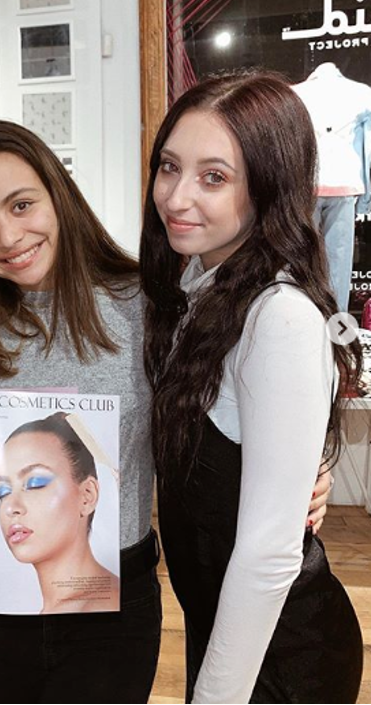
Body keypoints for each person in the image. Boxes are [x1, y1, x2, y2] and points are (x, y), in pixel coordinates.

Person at [0, 120, 332, 705]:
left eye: (21, 205)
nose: (8, 237)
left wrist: (309, 468)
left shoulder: (148, 303)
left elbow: (238, 406)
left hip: (114, 610)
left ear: (57, 195)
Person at [140, 71, 363, 704]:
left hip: (282, 654)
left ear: (268, 186)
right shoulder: (194, 285)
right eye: (169, 167)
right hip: (227, 631)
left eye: (214, 177)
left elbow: (268, 556)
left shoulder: (278, 316)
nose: (178, 197)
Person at [0, 411, 119, 614]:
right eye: (3, 492)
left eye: (35, 483)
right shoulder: (55, 609)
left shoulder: (101, 607)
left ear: (87, 495)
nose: (11, 507)